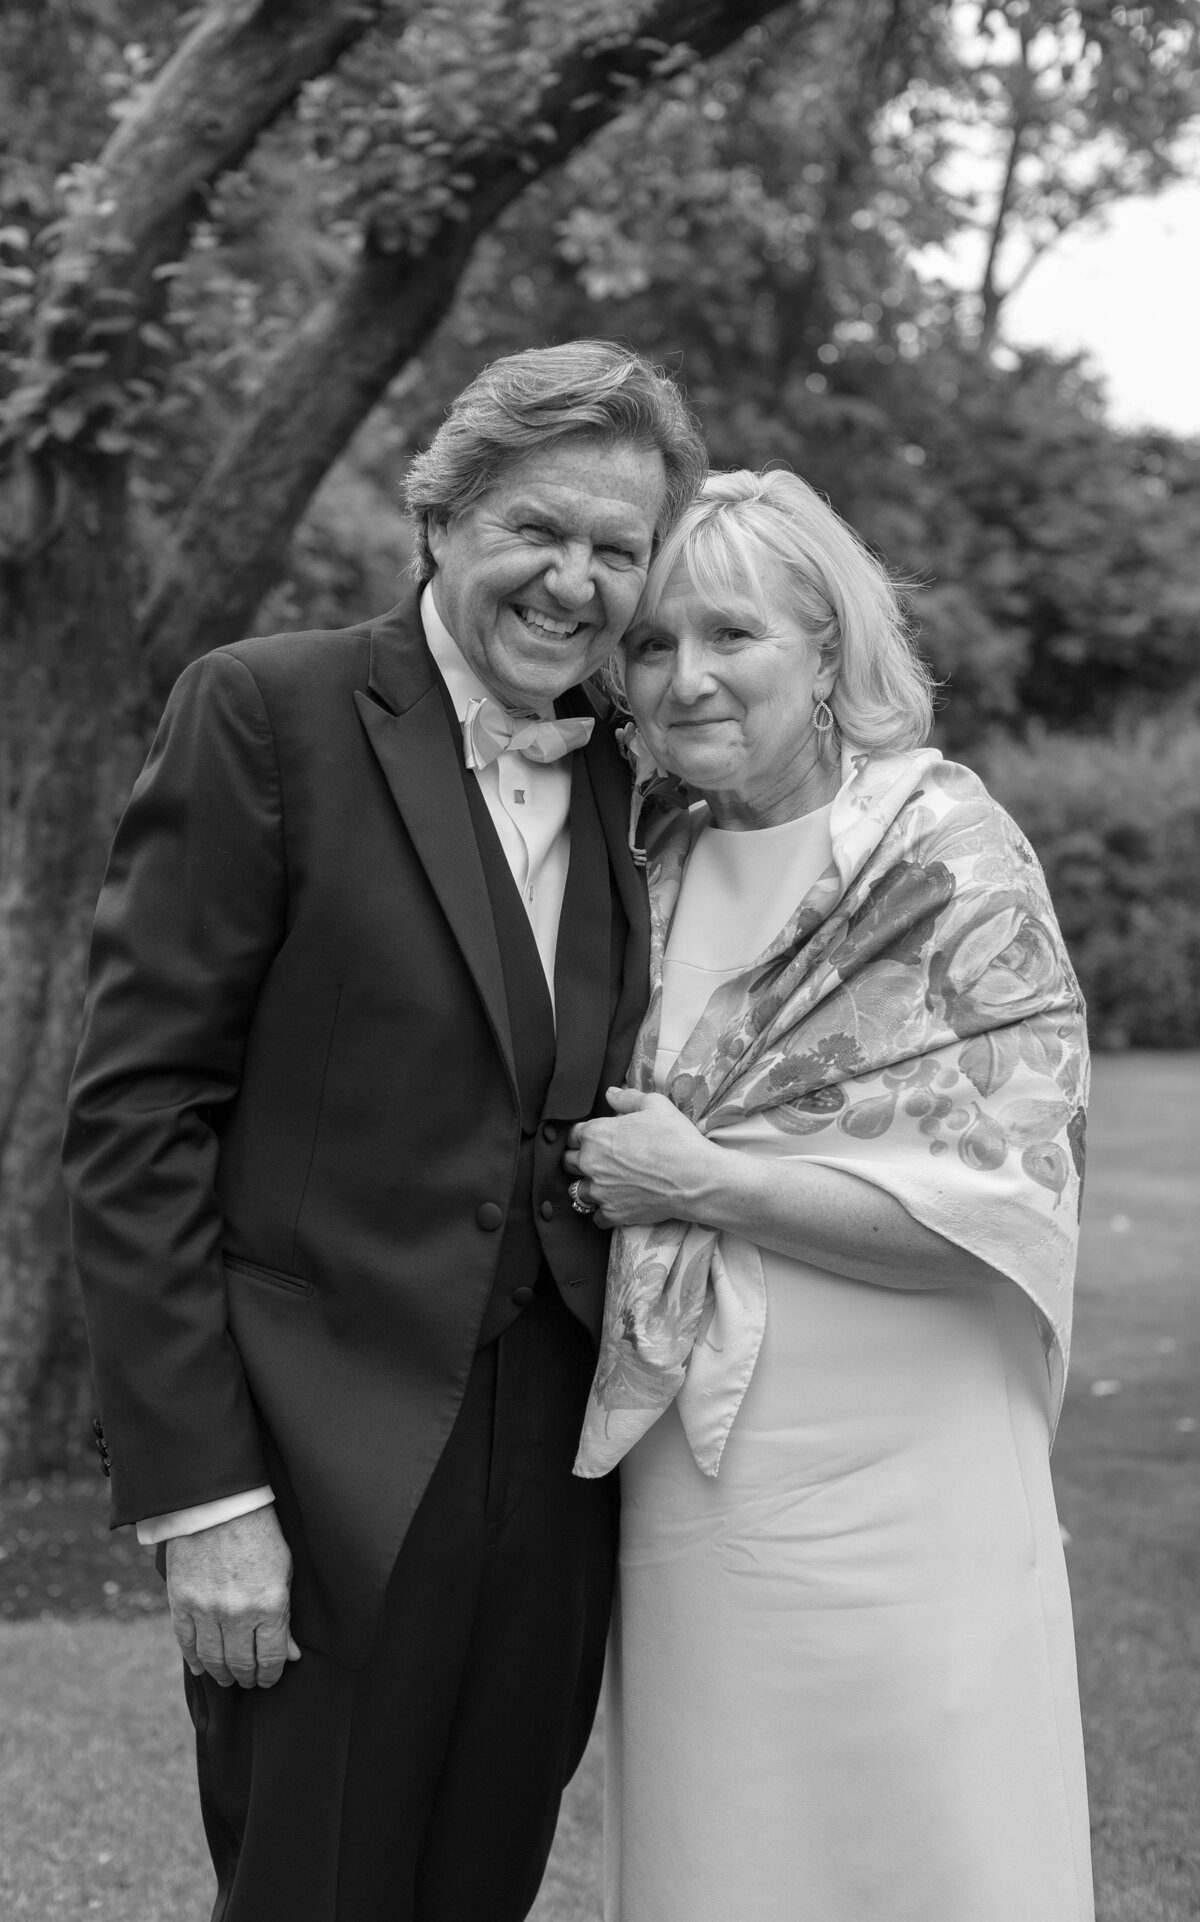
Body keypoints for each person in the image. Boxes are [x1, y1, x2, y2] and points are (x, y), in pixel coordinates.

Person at [61, 339, 708, 1922]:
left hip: (560, 1474)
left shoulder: (644, 777)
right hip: (318, 1467)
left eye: (617, 551)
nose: (575, 583)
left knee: (479, 1885)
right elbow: (139, 1114)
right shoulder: (266, 710)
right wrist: (206, 1498)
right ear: (441, 519)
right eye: (536, 530)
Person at [563, 468, 1094, 1922]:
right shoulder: (640, 866)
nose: (686, 676)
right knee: (727, 1831)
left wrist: (707, 1180)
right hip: (706, 1455)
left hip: (911, 1459)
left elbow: (1009, 1212)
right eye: (655, 643)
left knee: (935, 1824)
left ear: (825, 654)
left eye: (732, 635)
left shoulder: (948, 855)